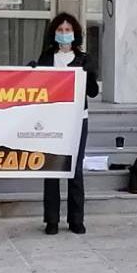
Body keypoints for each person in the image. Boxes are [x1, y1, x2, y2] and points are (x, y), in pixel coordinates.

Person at [30, 13, 99, 235]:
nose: (64, 34)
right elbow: (38, 86)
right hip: (53, 119)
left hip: (78, 119)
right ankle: (51, 220)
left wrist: (88, 74)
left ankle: (76, 219)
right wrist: (30, 72)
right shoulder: (47, 57)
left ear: (75, 33)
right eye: (60, 30)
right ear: (54, 33)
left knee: (75, 169)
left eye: (68, 30)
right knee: (51, 168)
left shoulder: (84, 58)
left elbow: (93, 92)